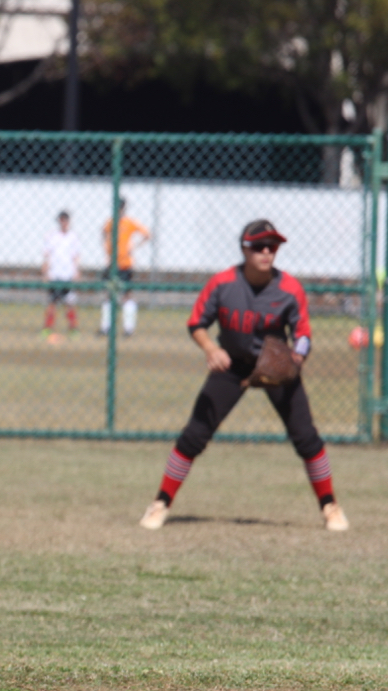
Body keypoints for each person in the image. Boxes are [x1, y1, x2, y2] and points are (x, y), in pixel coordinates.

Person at [139, 220, 349, 532]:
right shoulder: (223, 284)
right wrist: (211, 349)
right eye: (259, 246)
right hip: (233, 365)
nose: (266, 252)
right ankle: (160, 503)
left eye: (272, 246)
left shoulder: (290, 289)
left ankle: (330, 506)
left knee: (306, 437)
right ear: (244, 248)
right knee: (194, 435)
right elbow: (196, 323)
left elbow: (303, 333)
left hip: (275, 367)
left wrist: (298, 355)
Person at [99, 198, 150, 337]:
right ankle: (106, 327)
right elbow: (103, 233)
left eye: (120, 207)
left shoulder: (129, 222)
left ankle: (128, 328)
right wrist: (107, 249)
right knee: (109, 295)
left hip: (125, 264)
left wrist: (134, 247)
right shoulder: (110, 222)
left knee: (126, 296)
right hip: (112, 265)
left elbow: (147, 234)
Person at [41, 211, 80, 335]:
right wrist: (45, 271)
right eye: (61, 220)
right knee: (52, 302)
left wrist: (76, 271)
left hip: (67, 274)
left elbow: (75, 256)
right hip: (55, 274)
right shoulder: (52, 236)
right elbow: (47, 254)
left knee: (70, 303)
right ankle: (48, 327)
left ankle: (73, 328)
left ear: (68, 222)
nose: (63, 223)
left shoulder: (73, 237)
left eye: (65, 220)